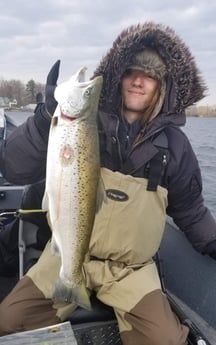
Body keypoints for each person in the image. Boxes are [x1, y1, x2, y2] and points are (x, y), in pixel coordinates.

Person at [0, 21, 216, 345]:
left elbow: (190, 210)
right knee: (9, 322)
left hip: (131, 270)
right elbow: (14, 169)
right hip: (68, 256)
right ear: (119, 76)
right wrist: (45, 120)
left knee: (166, 341)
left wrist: (213, 243)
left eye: (151, 75)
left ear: (163, 86)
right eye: (132, 72)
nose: (139, 81)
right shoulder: (83, 124)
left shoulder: (176, 147)